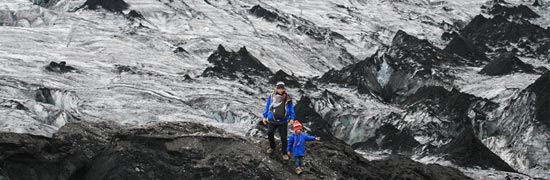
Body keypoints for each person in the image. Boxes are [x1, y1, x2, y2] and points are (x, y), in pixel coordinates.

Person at [262, 81, 295, 160]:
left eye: (282, 89)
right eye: (279, 88)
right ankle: (272, 147)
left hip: (283, 121)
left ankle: (284, 153)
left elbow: (291, 109)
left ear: (284, 89)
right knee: (270, 133)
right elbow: (268, 106)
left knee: (283, 137)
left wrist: (292, 118)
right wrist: (264, 116)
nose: (280, 90)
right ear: (276, 88)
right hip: (272, 120)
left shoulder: (287, 98)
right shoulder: (271, 96)